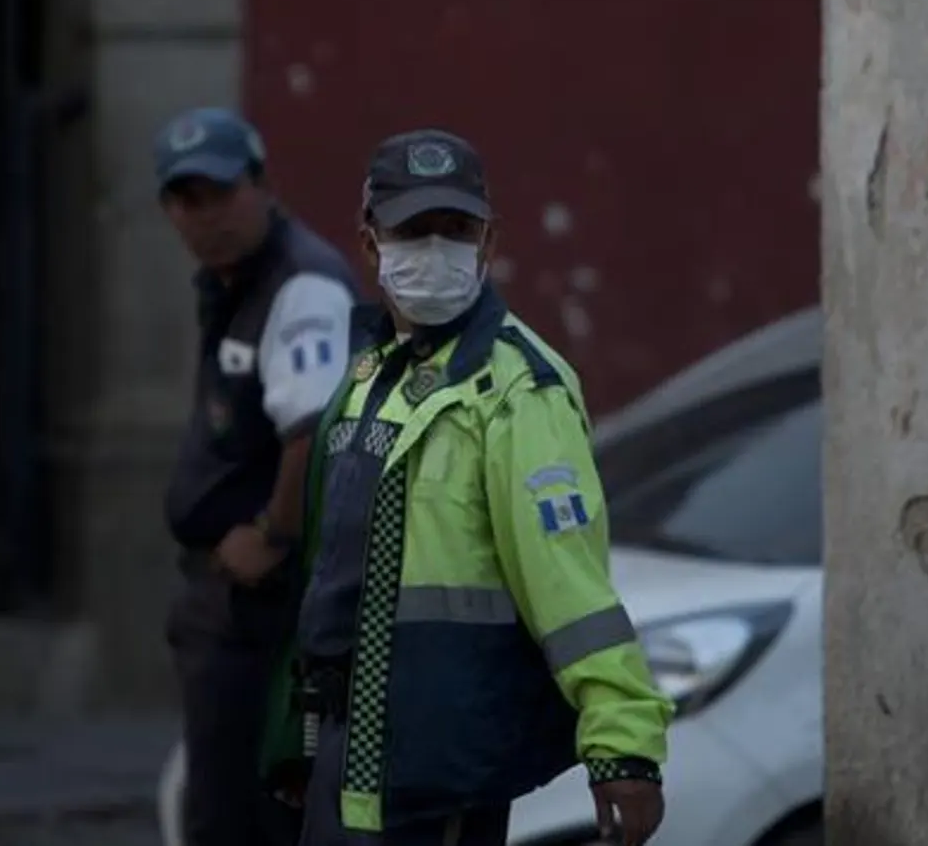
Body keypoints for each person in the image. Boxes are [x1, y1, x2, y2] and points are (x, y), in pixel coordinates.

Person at [261, 127, 673, 846]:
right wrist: (302, 730)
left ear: (488, 241)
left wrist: (623, 743)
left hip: (438, 764)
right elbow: (332, 574)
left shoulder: (517, 389)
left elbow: (571, 588)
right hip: (349, 757)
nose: (435, 249)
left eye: (456, 229)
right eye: (413, 229)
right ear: (370, 242)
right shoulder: (370, 375)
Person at [155, 106, 358, 846]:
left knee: (242, 817)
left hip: (264, 608)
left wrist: (272, 532)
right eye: (187, 198)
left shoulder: (300, 285)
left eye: (221, 192)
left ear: (263, 184)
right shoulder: (235, 280)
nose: (205, 214)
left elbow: (316, 432)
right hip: (230, 604)